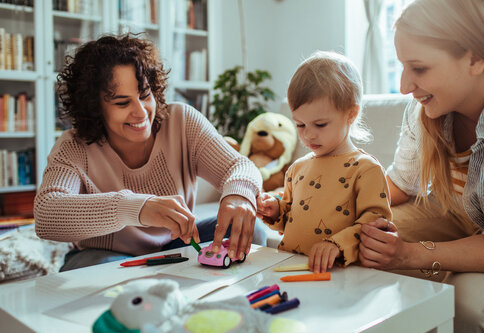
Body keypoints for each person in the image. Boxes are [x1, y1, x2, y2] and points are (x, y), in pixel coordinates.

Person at [357, 0, 484, 333]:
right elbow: (402, 183)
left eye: (419, 68)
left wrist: (409, 255)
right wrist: (330, 197)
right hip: (468, 219)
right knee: (360, 239)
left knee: (467, 306)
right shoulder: (428, 108)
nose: (404, 85)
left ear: (475, 60)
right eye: (402, 66)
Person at [34, 34, 266, 271]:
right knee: (107, 276)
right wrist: (137, 208)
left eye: (145, 95)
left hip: (174, 246)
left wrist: (238, 195)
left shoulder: (182, 121)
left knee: (250, 230)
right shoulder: (74, 145)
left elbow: (239, 166)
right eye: (122, 103)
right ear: (95, 108)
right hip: (103, 255)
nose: (141, 112)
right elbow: (46, 215)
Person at [257, 51, 392, 274]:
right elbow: (291, 216)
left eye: (319, 125)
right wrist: (274, 211)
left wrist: (337, 245)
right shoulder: (297, 168)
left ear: (351, 114)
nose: (308, 135)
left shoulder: (366, 169)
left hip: (340, 274)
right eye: (300, 125)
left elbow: (376, 225)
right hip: (291, 267)